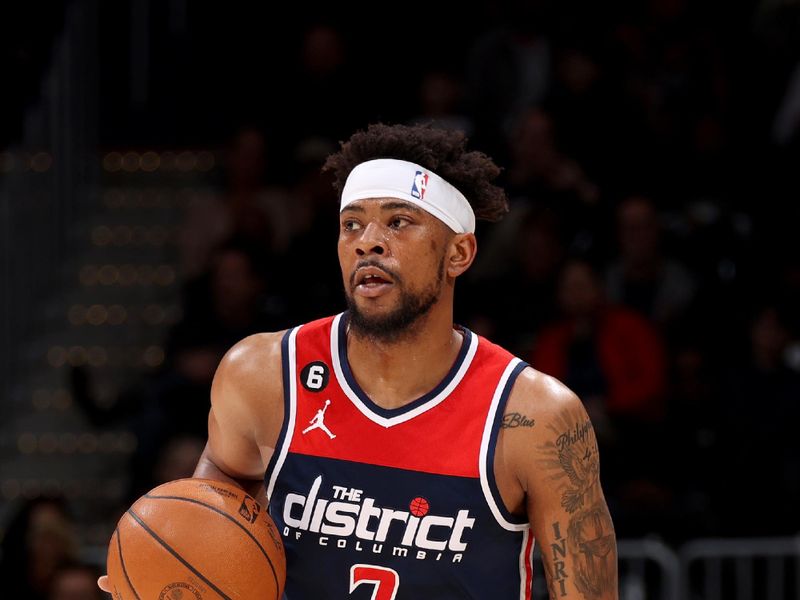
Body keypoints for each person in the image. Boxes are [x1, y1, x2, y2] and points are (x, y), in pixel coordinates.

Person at [99, 123, 618, 598]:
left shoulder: (535, 417)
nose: (369, 241)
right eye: (352, 225)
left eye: (398, 222)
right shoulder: (262, 375)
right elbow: (200, 543)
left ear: (458, 253)